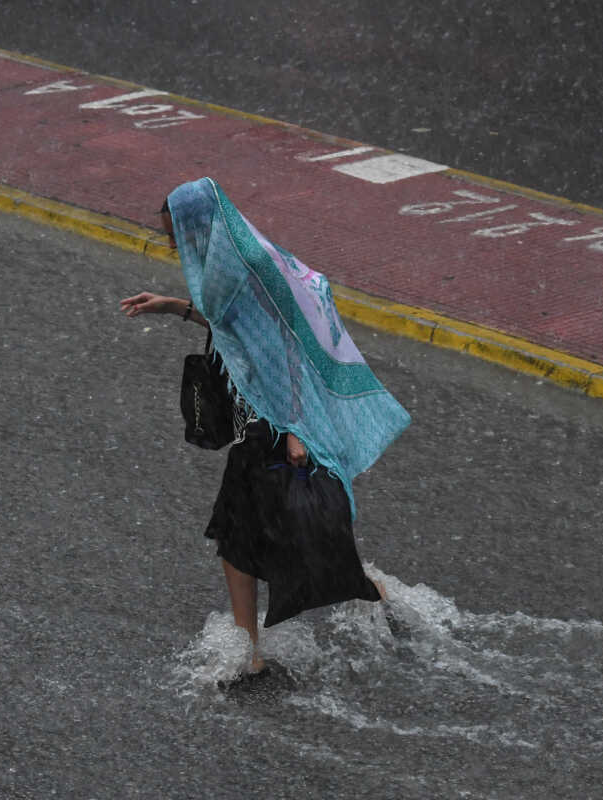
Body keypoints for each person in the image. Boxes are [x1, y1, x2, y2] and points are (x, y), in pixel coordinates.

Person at [121, 182, 409, 674]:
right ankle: (260, 644)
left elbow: (284, 346)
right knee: (245, 532)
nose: (173, 245)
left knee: (249, 533)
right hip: (259, 414)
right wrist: (173, 306)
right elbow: (235, 331)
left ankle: (284, 633)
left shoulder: (243, 266)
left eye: (176, 235)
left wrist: (295, 428)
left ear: (198, 225)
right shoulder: (231, 257)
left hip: (271, 420)